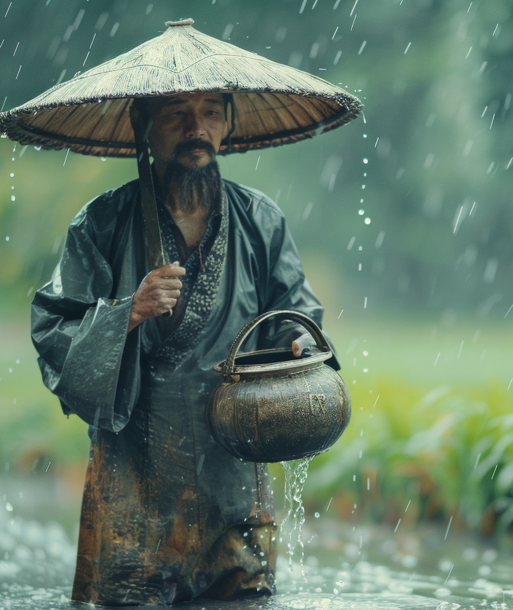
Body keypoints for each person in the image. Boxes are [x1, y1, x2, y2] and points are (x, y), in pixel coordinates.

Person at [29, 88, 341, 605]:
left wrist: (299, 340)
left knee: (242, 598)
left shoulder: (261, 221)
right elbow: (52, 330)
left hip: (233, 466)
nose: (197, 128)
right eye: (177, 115)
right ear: (143, 125)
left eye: (211, 114)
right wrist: (127, 312)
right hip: (136, 472)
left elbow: (295, 312)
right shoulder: (100, 223)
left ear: (228, 124)